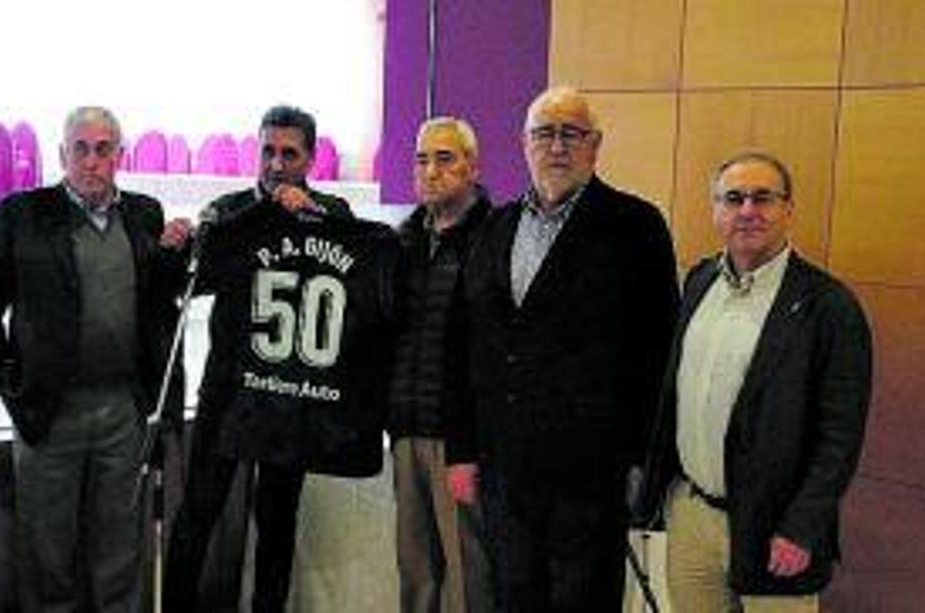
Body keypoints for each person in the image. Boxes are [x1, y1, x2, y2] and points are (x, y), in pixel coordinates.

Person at [445, 86, 680, 611]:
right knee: (515, 597)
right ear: (524, 145)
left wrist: (644, 462)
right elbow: (465, 346)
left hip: (593, 474)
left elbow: (659, 354)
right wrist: (461, 450)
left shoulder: (635, 228)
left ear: (595, 146)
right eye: (544, 133)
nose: (557, 146)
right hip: (504, 470)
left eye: (571, 133)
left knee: (583, 601)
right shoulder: (494, 228)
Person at [164, 105, 401, 613]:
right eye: (267, 150)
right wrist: (186, 244)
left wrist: (309, 215)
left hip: (293, 396)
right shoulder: (228, 210)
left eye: (289, 153)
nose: (275, 163)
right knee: (198, 511)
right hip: (229, 390)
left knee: (276, 519)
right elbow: (189, 285)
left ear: (310, 159)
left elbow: (361, 277)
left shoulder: (333, 212)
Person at [0, 106, 182, 612]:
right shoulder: (23, 215)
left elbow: (158, 298)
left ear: (119, 157)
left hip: (122, 413)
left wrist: (176, 252)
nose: (91, 161)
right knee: (47, 559)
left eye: (103, 149)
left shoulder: (145, 215)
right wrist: (5, 381)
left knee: (119, 556)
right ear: (62, 155)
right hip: (49, 413)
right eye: (79, 149)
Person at [634, 152, 873, 612]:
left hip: (775, 529)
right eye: (734, 198)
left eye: (763, 197)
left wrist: (802, 526)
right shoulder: (699, 281)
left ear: (788, 209)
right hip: (692, 518)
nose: (747, 210)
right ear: (715, 210)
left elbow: (839, 438)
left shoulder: (829, 307)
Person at [388, 116, 493, 613]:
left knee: (467, 575)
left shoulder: (493, 240)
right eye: (421, 159)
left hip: (463, 440)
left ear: (472, 166)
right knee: (415, 569)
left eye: (445, 159)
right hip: (406, 427)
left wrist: (470, 443)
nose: (431, 171)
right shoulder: (402, 242)